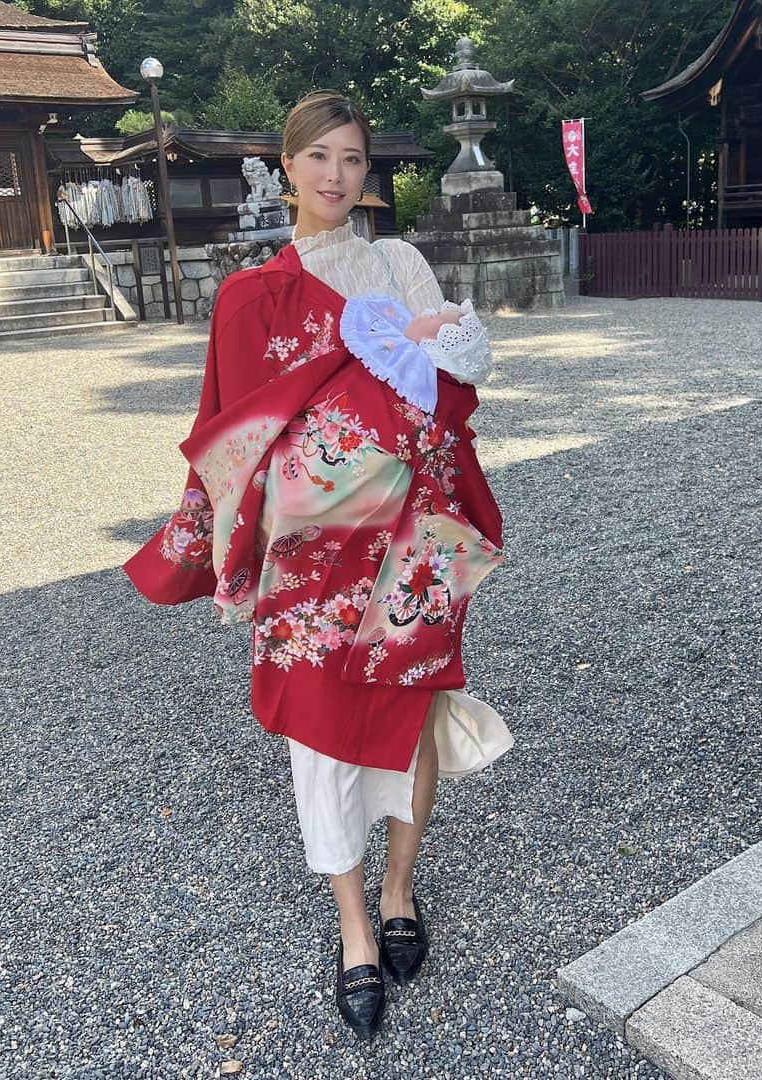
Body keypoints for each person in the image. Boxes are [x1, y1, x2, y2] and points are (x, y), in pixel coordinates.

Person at [124, 90, 511, 1039]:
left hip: (418, 532)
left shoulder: (399, 260)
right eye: (320, 157)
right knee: (320, 733)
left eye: (353, 159)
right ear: (289, 165)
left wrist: (436, 347)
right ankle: (353, 931)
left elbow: (470, 367)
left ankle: (399, 888)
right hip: (311, 554)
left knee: (411, 710)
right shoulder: (254, 294)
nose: (338, 176)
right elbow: (235, 434)